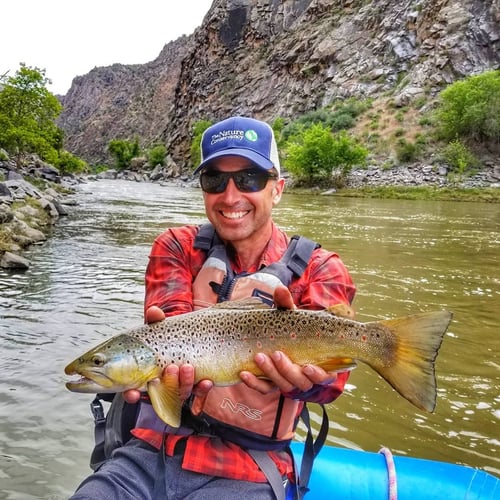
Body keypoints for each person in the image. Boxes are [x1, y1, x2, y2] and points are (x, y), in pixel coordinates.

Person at [71, 116, 356, 500]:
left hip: (249, 468)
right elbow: (171, 331)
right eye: (215, 181)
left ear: (278, 189)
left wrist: (314, 381)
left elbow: (333, 384)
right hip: (149, 454)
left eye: (250, 179)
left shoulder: (322, 269)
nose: (230, 196)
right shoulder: (175, 245)